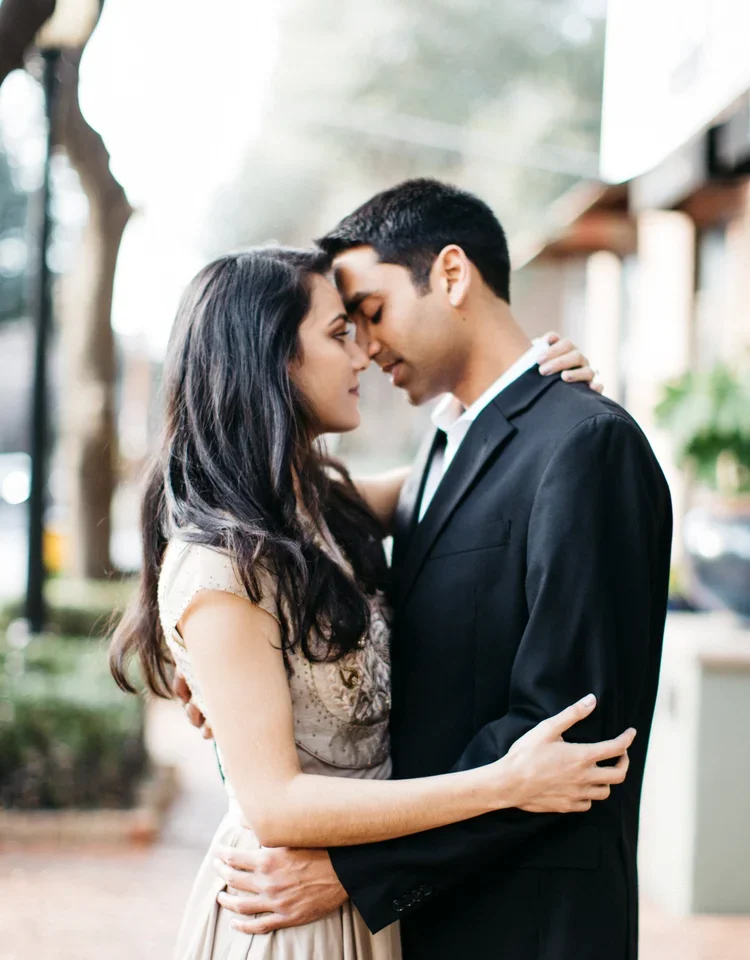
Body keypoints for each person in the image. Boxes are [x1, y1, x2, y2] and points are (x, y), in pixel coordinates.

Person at [186, 180, 673, 960]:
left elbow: (568, 737)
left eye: (370, 313)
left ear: (451, 275)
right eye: (343, 328)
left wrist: (359, 871)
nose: (366, 349)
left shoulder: (583, 445)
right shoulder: (439, 449)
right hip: (423, 921)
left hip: (527, 926)